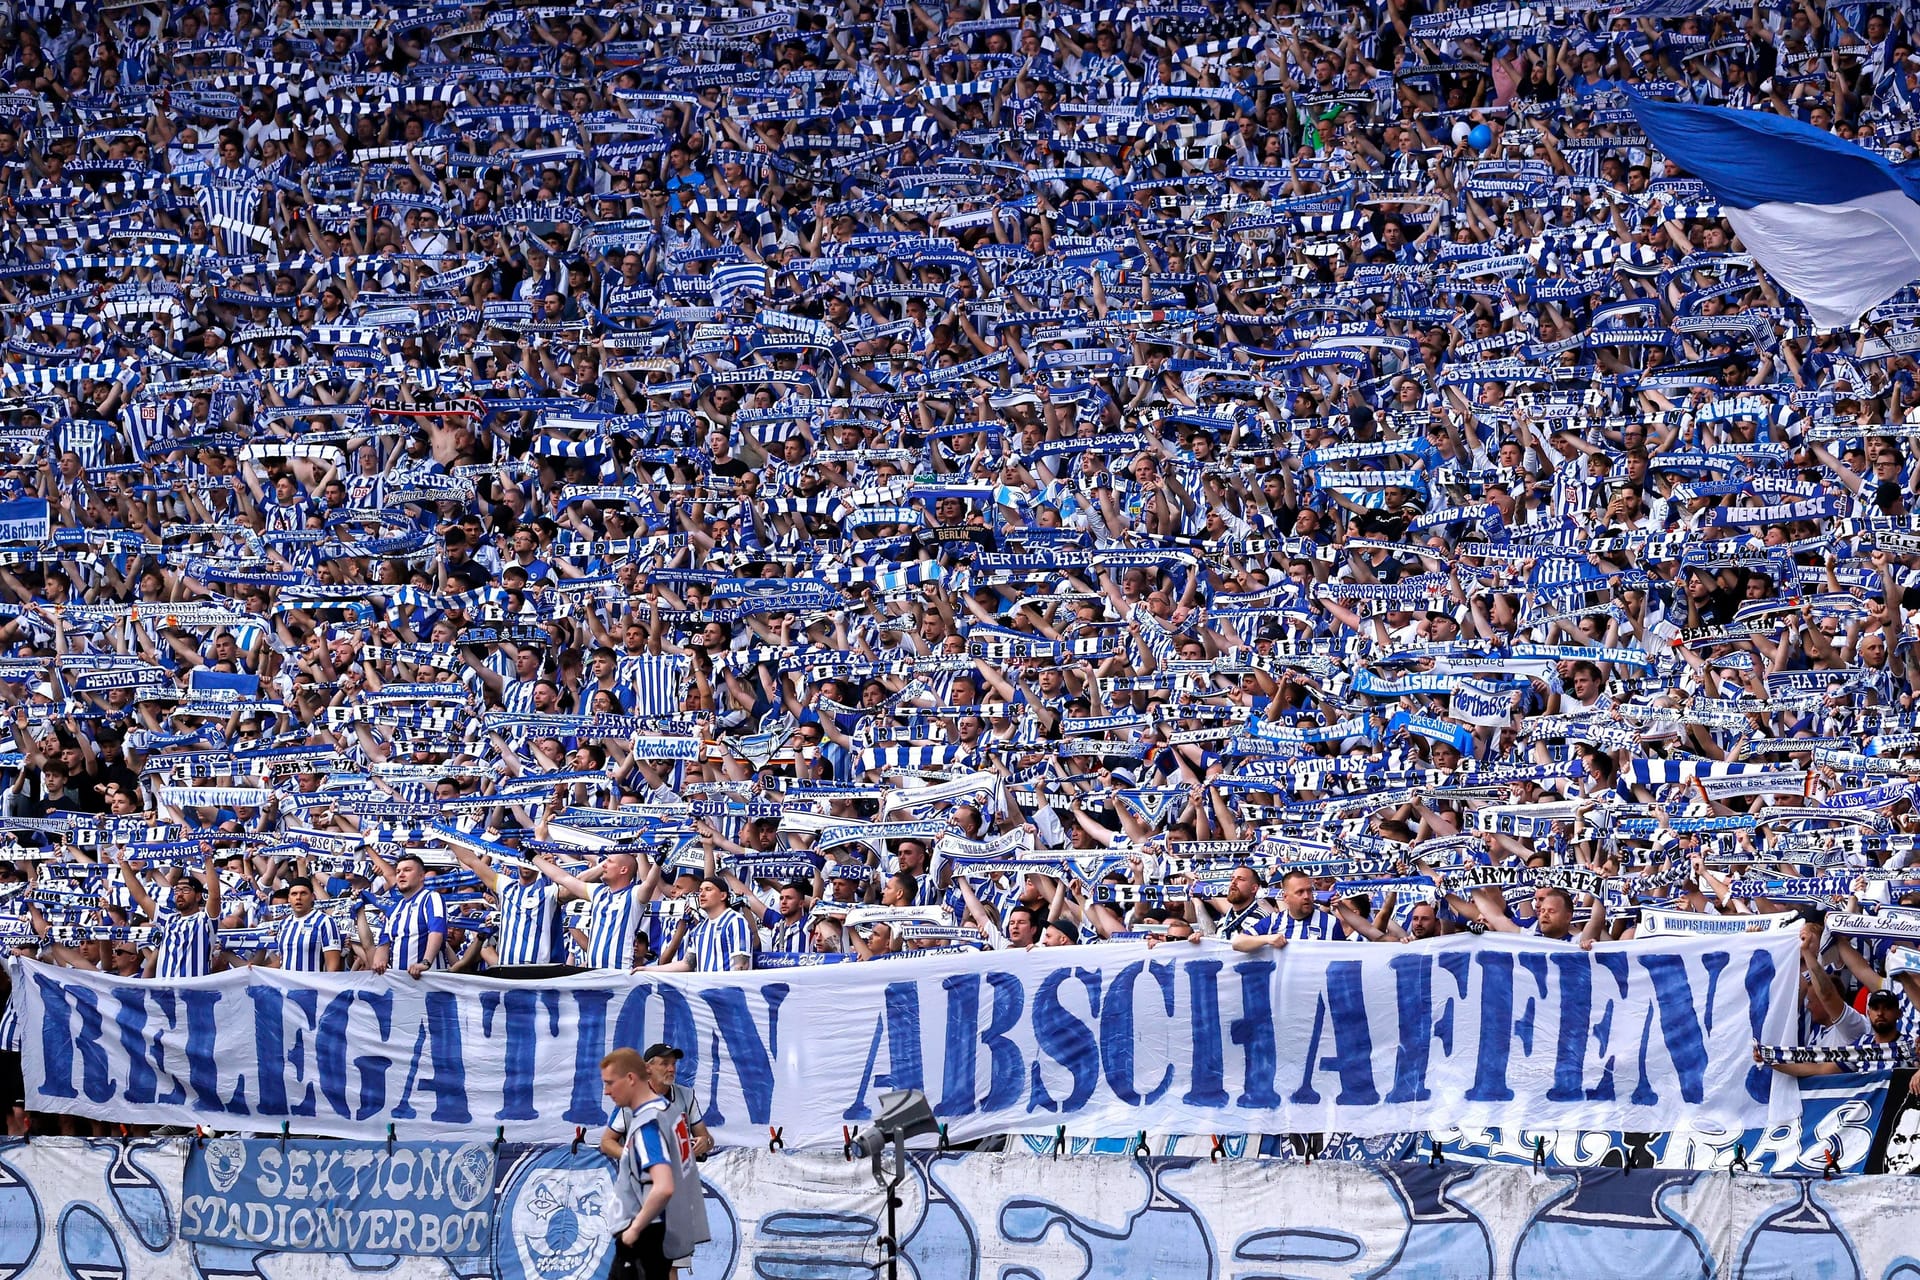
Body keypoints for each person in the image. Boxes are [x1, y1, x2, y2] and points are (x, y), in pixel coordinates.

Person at [601, 1047, 676, 1280]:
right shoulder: (667, 1111)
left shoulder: (647, 1124)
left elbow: (664, 1187)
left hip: (644, 1231)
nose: (606, 1092)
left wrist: (633, 1230)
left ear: (631, 1079)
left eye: (610, 1083)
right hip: (660, 1228)